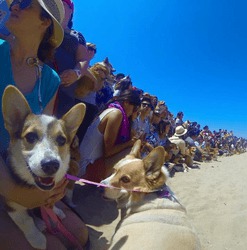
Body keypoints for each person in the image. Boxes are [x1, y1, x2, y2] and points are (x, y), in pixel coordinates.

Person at [0, 0, 88, 248]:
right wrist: (16, 193)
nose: (14, 6)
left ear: (45, 21)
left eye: (25, 3)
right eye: (14, 2)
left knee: (79, 234)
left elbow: (48, 137)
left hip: (22, 169)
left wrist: (51, 190)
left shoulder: (49, 78)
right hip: (6, 176)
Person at [79, 89, 141, 182]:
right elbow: (108, 152)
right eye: (135, 109)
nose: (134, 112)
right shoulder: (116, 114)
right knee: (131, 150)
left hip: (91, 163)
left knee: (134, 147)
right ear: (127, 102)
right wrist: (130, 143)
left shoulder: (116, 112)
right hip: (85, 167)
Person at [51, 0, 93, 118]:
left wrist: (76, 73)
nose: (59, 5)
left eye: (64, 3)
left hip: (63, 89)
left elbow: (84, 60)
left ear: (71, 11)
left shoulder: (76, 35)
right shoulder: (43, 22)